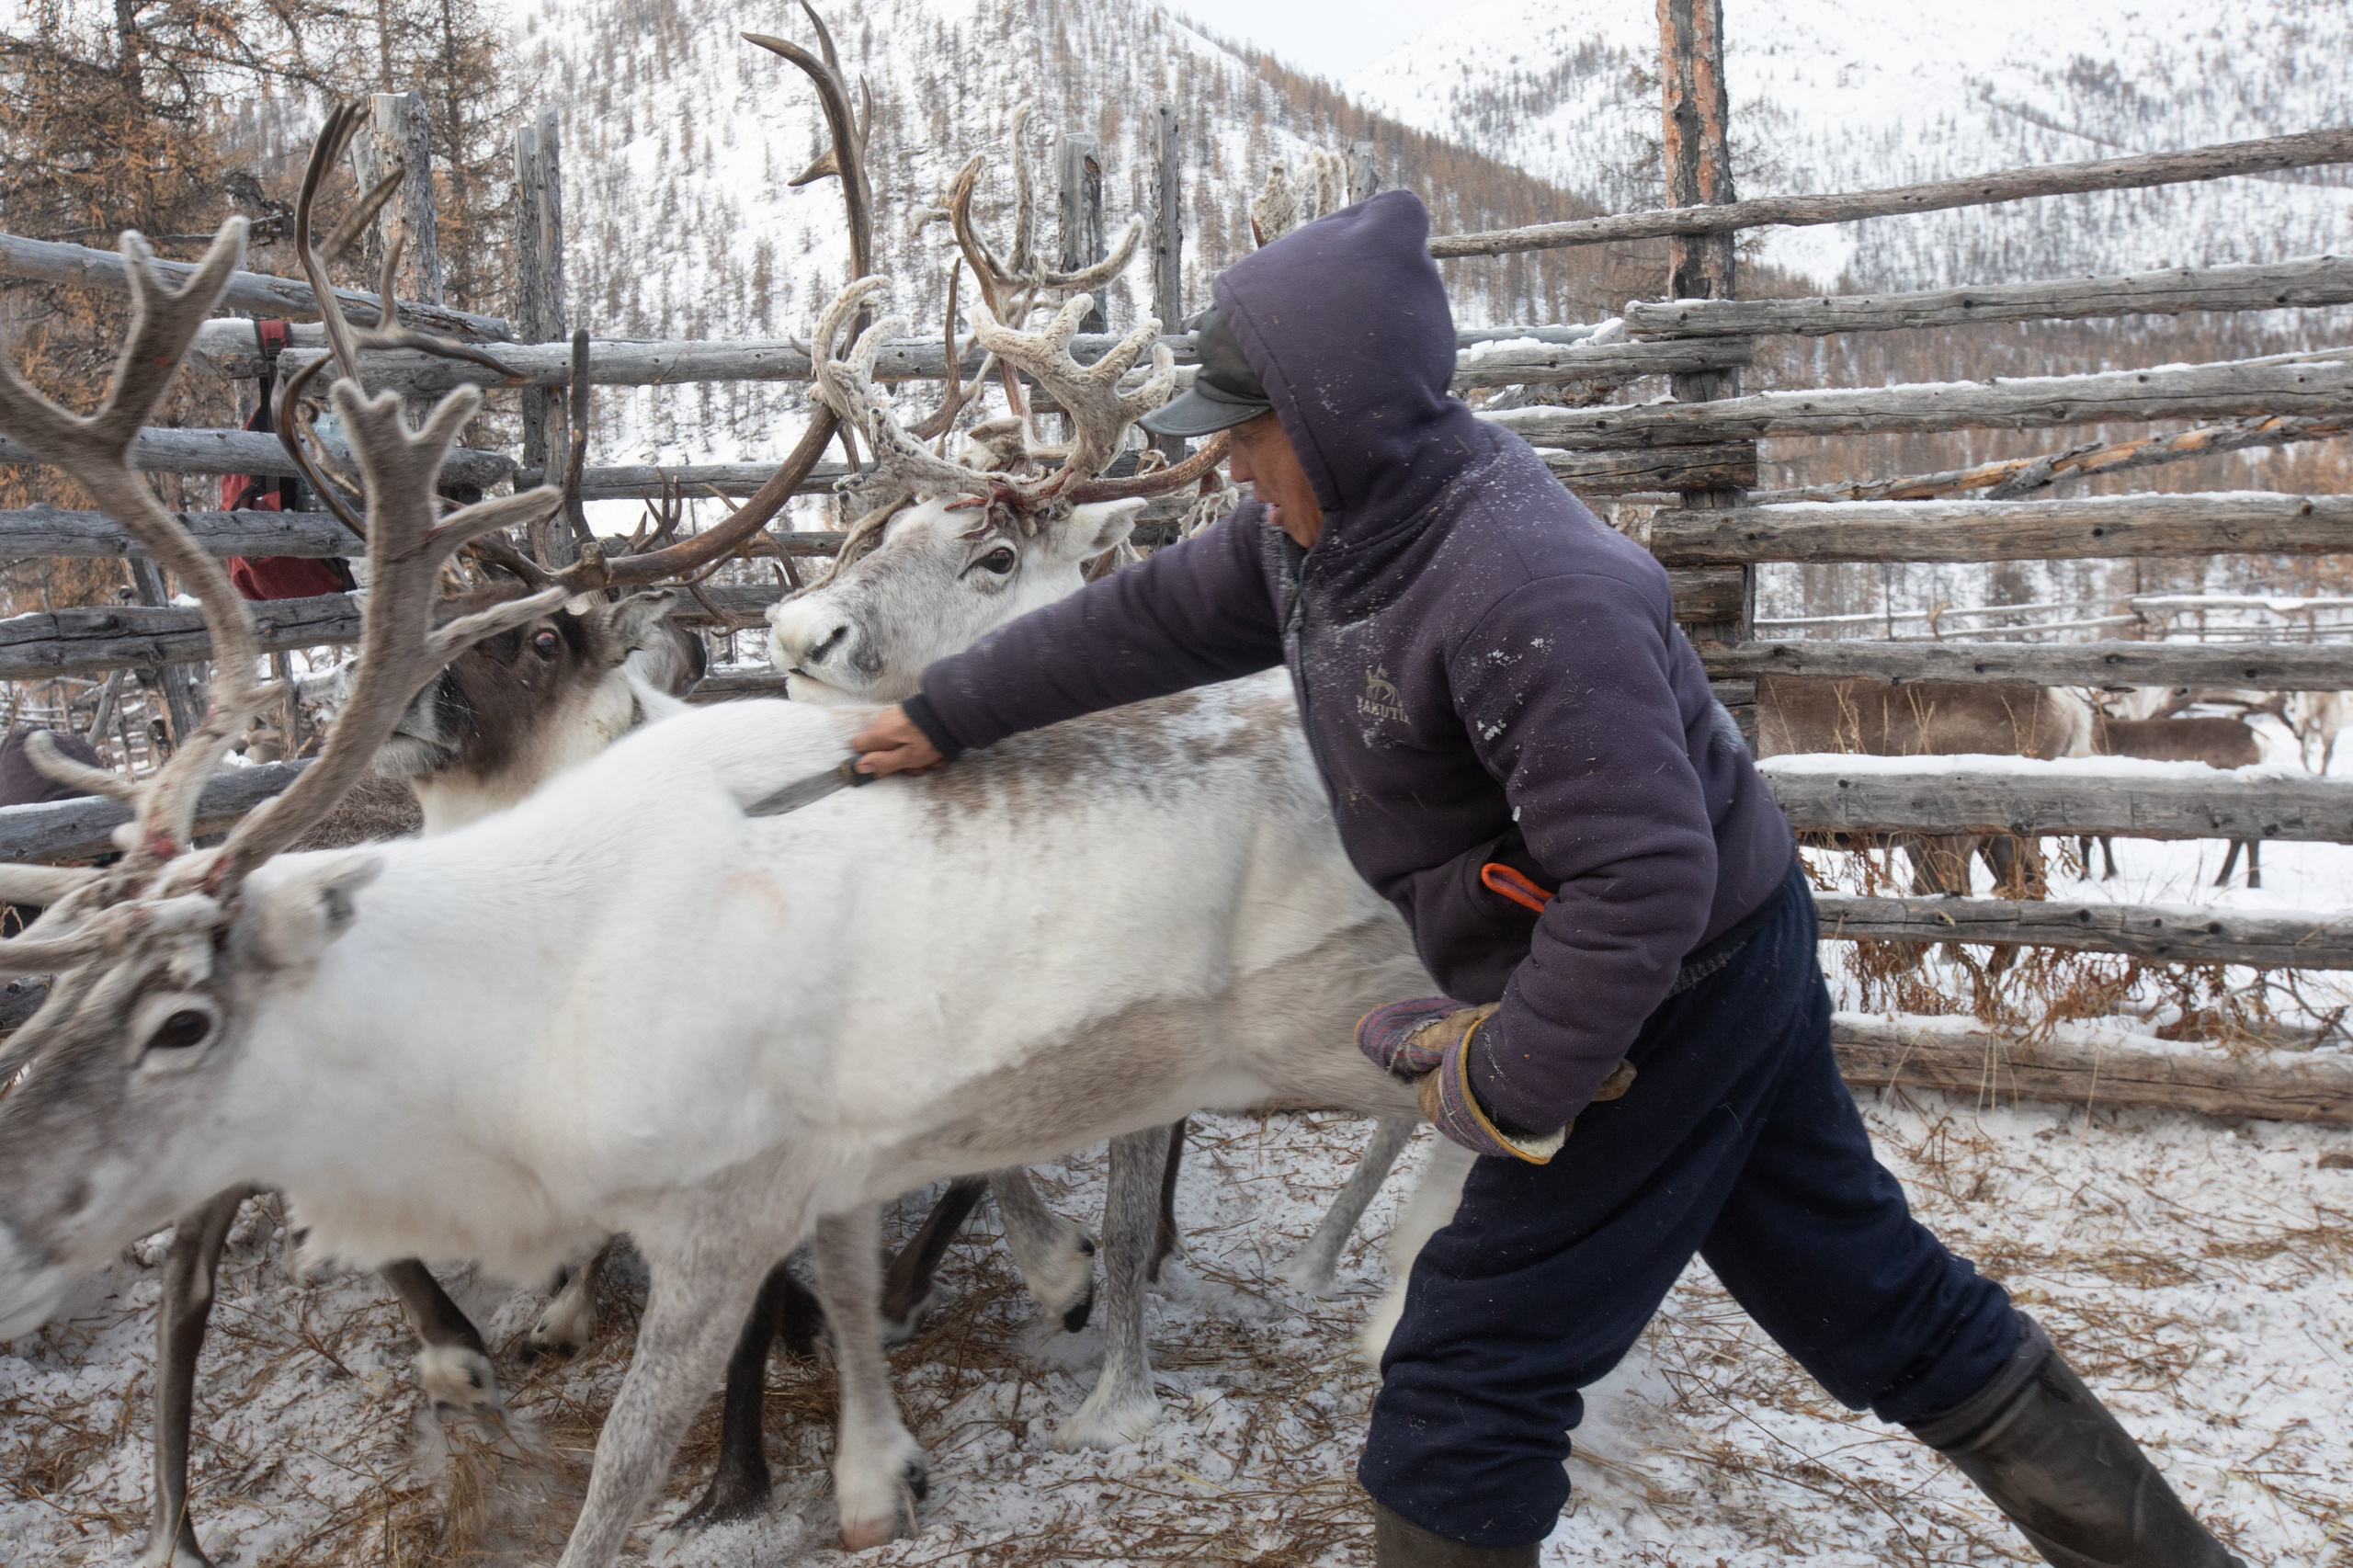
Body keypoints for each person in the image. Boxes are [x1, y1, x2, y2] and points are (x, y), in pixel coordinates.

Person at [849, 191, 2242, 1568]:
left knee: (1459, 1400)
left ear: (1332, 414)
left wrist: (1509, 1084)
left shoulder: (1522, 586)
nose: (1226, 464)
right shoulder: (1321, 538)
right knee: (1876, 1297)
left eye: (1246, 431)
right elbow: (1147, 618)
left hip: (1667, 986)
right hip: (1707, 955)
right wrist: (957, 706)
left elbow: (1640, 883)